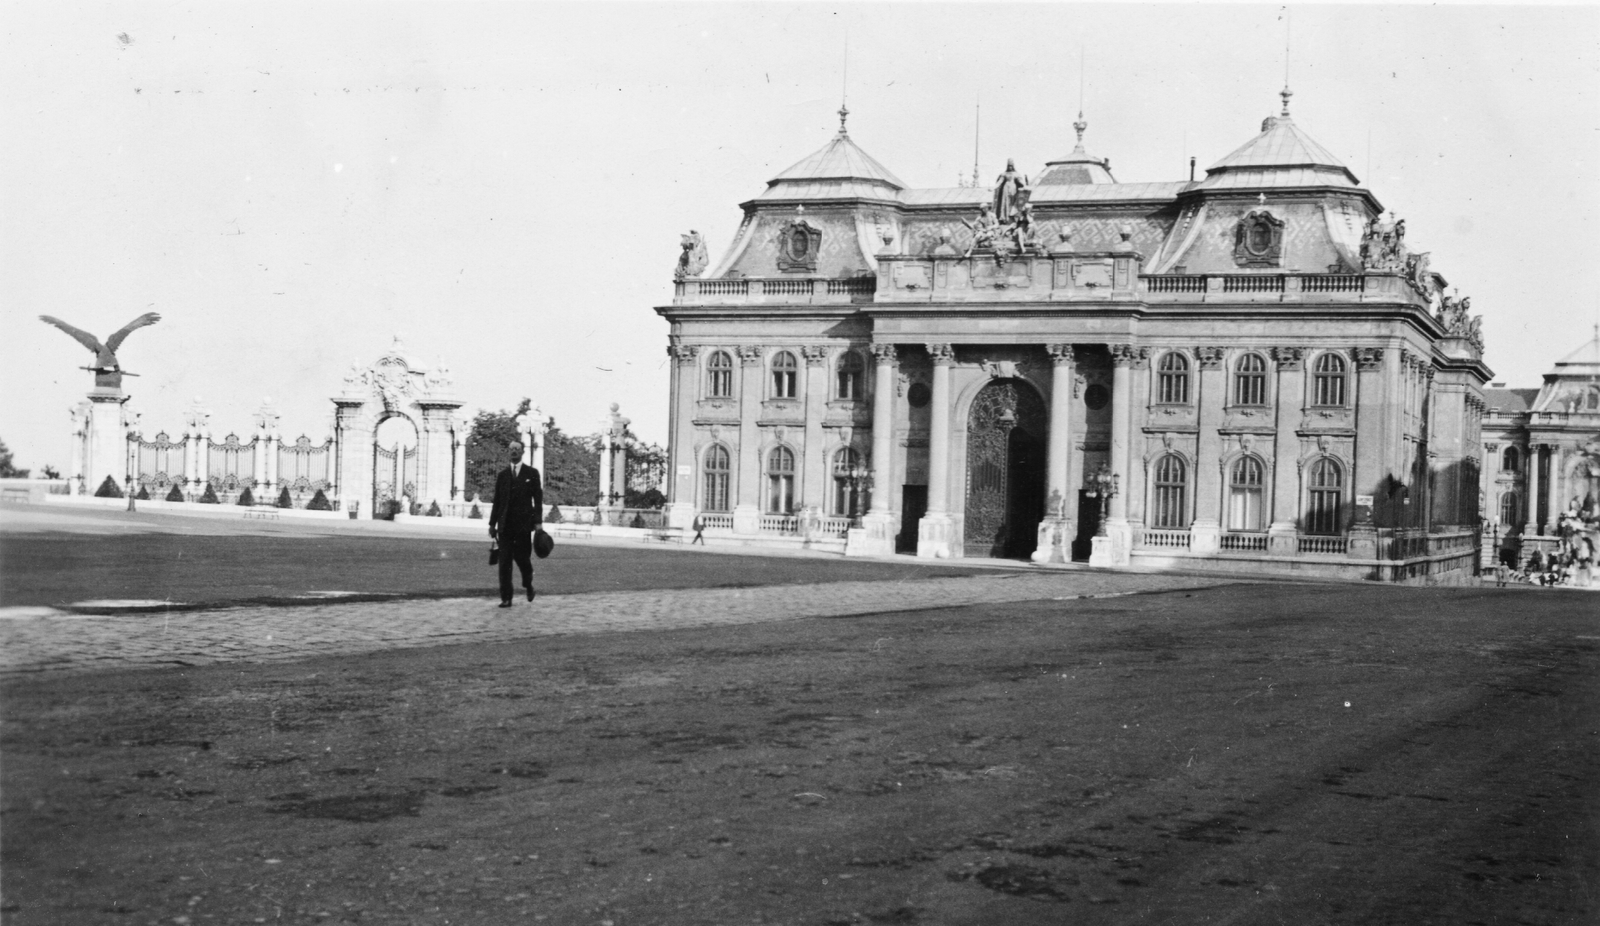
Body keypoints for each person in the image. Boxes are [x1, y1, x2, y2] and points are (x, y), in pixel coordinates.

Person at [489, 440, 544, 608]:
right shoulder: (503, 475)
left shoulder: (532, 473)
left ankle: (528, 584)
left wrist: (538, 522)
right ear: (508, 451)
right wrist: (492, 524)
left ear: (522, 452)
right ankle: (506, 598)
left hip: (523, 526)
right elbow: (497, 501)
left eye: (517, 449)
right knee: (504, 563)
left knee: (523, 560)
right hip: (505, 526)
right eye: (511, 449)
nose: (514, 451)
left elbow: (538, 500)